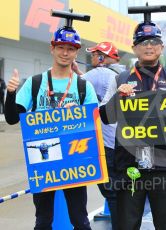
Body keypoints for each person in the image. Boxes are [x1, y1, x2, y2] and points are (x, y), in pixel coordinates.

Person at [4, 20, 98, 229]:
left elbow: (94, 122)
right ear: (52, 48)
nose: (65, 53)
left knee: (80, 220)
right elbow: (12, 118)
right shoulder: (35, 82)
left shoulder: (83, 86)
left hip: (75, 156)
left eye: (70, 49)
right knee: (43, 220)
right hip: (43, 158)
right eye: (61, 47)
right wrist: (10, 93)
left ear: (76, 52)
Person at [99, 5, 166, 230]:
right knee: (127, 225)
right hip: (129, 167)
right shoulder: (120, 79)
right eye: (143, 42)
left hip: (165, 166)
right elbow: (105, 118)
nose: (149, 46)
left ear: (162, 47)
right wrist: (118, 97)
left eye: (154, 42)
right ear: (134, 48)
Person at [72, 41, 124, 230]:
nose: (92, 58)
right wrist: (79, 72)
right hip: (118, 140)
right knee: (118, 192)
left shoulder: (99, 73)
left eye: (95, 54)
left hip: (104, 142)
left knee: (111, 192)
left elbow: (74, 86)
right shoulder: (119, 73)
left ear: (102, 57)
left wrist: (72, 71)